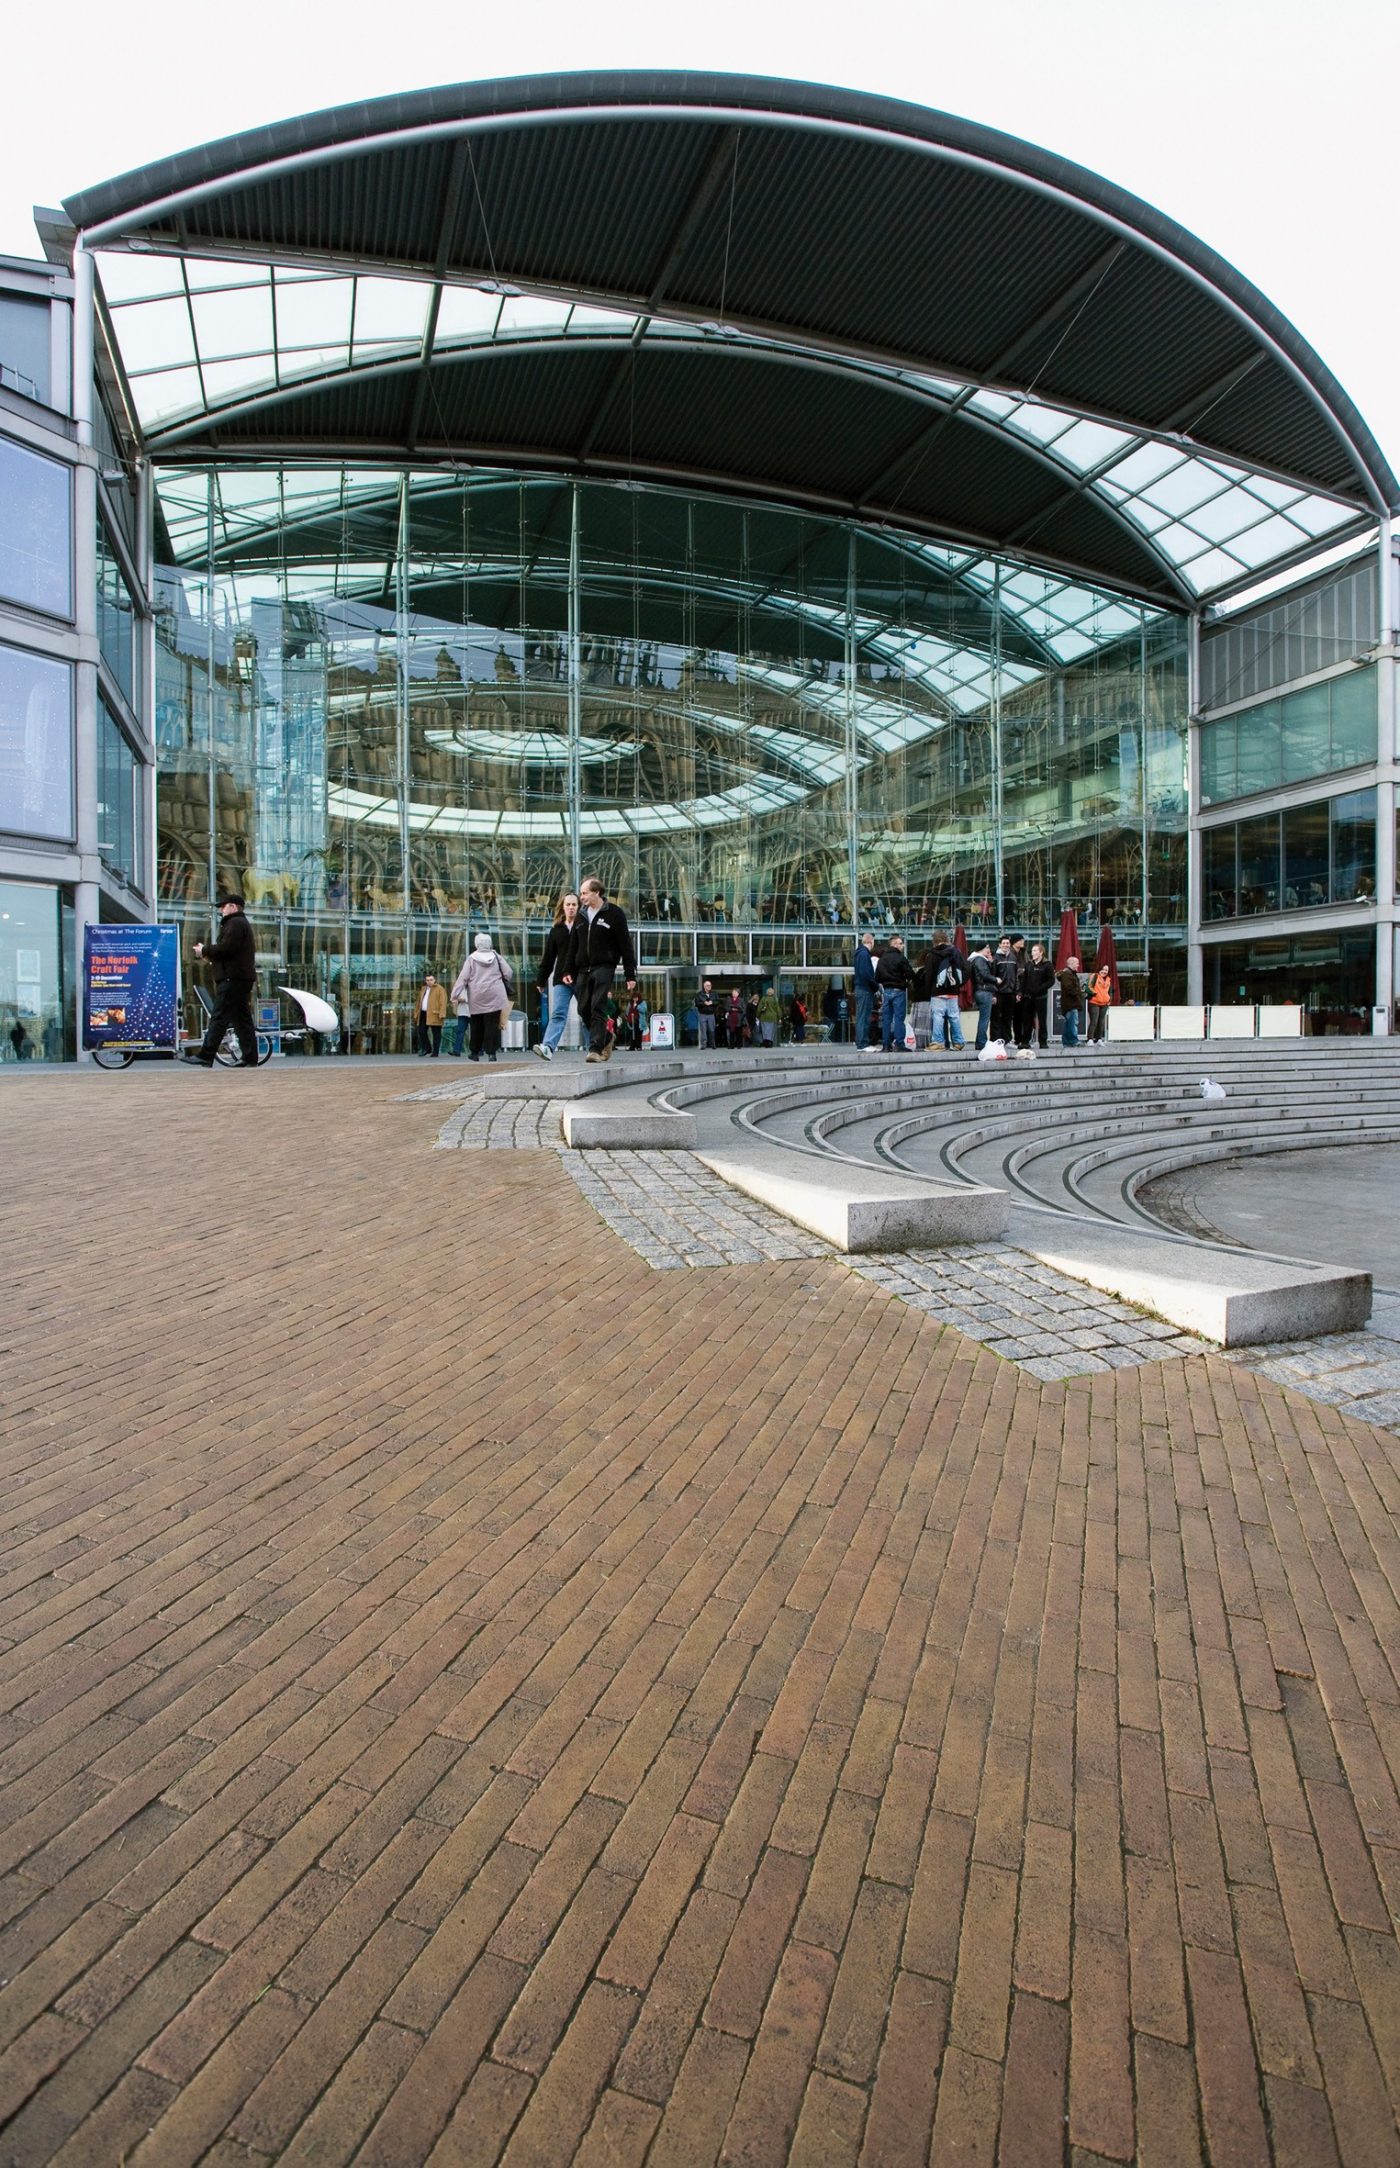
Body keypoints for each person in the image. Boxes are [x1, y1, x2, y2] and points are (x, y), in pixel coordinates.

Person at [564, 876, 637, 1064]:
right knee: (582, 1008)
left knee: (598, 1005)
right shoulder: (580, 915)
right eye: (581, 893)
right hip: (582, 968)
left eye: (585, 893)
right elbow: (573, 945)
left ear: (597, 893)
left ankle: (595, 1048)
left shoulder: (614, 913)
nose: (582, 897)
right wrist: (567, 970)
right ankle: (606, 1037)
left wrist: (630, 973)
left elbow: (625, 945)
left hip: (604, 966)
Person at [187, 892, 258, 1067]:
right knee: (241, 1019)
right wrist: (209, 955)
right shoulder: (241, 924)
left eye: (223, 906)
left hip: (232, 978)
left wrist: (205, 950)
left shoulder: (234, 923)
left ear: (233, 907)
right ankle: (250, 1057)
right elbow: (232, 952)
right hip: (239, 978)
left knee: (219, 1017)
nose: (221, 910)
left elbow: (227, 948)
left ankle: (206, 1055)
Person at [451, 933, 514, 1062]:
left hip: (477, 996)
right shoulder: (497, 957)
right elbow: (508, 973)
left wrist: (454, 995)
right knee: (492, 1025)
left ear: (476, 944)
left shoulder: (471, 958)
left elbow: (463, 978)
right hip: (495, 995)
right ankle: (492, 1053)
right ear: (489, 943)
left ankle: (474, 1052)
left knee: (476, 1025)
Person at [532, 891, 579, 1061]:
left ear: (579, 907)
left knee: (588, 1012)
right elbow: (549, 957)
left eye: (574, 904)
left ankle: (597, 1047)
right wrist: (541, 978)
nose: (571, 907)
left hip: (581, 976)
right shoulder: (556, 931)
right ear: (563, 907)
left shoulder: (583, 927)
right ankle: (548, 1047)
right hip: (561, 978)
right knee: (558, 1013)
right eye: (568, 904)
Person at [927, 937, 967, 1051]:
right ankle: (958, 1042)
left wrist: (930, 989)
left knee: (938, 1016)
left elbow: (929, 974)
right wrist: (958, 984)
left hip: (938, 991)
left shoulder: (932, 955)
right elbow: (966, 969)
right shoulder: (956, 953)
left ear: (935, 942)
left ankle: (938, 1042)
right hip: (953, 991)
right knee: (954, 1017)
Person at [876, 934, 910, 1052]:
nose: (902, 945)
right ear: (894, 944)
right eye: (900, 943)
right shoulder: (900, 958)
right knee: (899, 1018)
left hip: (887, 990)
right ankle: (899, 1043)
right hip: (898, 989)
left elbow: (877, 977)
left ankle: (886, 1044)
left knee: (886, 1019)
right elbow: (909, 973)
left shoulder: (882, 959)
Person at [968, 941, 999, 1051]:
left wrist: (990, 963)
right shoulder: (980, 959)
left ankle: (980, 1042)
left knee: (983, 1019)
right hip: (984, 991)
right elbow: (985, 975)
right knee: (984, 1019)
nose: (989, 950)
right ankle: (981, 1043)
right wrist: (996, 980)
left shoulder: (976, 959)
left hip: (981, 991)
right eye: (987, 948)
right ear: (981, 949)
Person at [1022, 943, 1054, 1050]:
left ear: (1041, 952)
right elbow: (1024, 980)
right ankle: (1025, 1041)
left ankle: (1043, 1041)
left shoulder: (1047, 964)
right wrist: (1022, 993)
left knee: (1042, 1020)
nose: (1033, 953)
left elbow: (1051, 980)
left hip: (1041, 996)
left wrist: (1040, 988)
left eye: (1035, 951)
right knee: (1027, 1020)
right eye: (1032, 951)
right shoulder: (1029, 964)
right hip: (1029, 996)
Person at [854, 931, 878, 1052]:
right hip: (865, 989)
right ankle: (863, 1043)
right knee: (864, 1017)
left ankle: (861, 1042)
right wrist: (875, 985)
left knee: (861, 1016)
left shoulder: (860, 953)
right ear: (871, 941)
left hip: (861, 988)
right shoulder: (864, 954)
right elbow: (866, 974)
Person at [992, 938, 1019, 1045]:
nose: (1006, 945)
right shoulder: (995, 958)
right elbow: (993, 976)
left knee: (1008, 1018)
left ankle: (1007, 1040)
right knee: (996, 1018)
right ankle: (996, 1041)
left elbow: (1016, 975)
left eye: (1007, 943)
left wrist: (1016, 991)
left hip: (1010, 992)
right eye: (1003, 943)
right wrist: (993, 993)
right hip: (999, 992)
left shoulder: (1013, 957)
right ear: (999, 944)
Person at [414, 970, 446, 1057]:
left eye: (431, 980)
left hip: (435, 1013)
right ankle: (427, 1048)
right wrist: (416, 1013)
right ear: (425, 981)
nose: (429, 982)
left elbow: (443, 1002)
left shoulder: (440, 989)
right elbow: (418, 1002)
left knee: (436, 1034)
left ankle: (435, 1052)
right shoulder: (423, 989)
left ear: (434, 980)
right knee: (421, 1031)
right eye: (427, 980)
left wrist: (442, 1014)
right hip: (423, 1013)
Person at [1058, 955, 1084, 1048]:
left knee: (1068, 1023)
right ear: (1071, 964)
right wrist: (1078, 992)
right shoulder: (1068, 974)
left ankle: (1066, 1042)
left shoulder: (1068, 974)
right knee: (1072, 1023)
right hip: (1071, 1003)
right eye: (1077, 963)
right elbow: (1069, 989)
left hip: (1068, 1004)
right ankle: (1073, 1041)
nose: (1078, 965)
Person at [1087, 963, 1113, 1044]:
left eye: (1106, 970)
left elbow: (1110, 991)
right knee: (1094, 1021)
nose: (1104, 971)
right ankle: (1090, 1039)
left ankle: (1099, 1039)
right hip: (1094, 1002)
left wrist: (1109, 1000)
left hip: (1104, 1003)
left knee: (1101, 1022)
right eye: (1103, 969)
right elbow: (1089, 986)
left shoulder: (1108, 979)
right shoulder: (1094, 976)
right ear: (1099, 969)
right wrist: (1095, 994)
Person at [695, 978, 717, 1050]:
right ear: (704, 986)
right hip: (702, 1014)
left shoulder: (714, 994)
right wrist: (704, 1003)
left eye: (710, 985)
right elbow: (697, 1003)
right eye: (707, 985)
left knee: (712, 1030)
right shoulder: (699, 994)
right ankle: (703, 1045)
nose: (709, 987)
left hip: (711, 1014)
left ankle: (713, 1044)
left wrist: (712, 1002)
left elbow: (718, 1001)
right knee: (703, 1030)